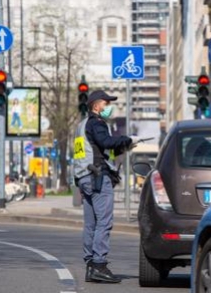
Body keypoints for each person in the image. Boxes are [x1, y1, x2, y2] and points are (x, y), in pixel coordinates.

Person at [73, 90, 134, 284]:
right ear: (97, 105)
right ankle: (99, 264)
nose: (109, 107)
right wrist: (126, 140)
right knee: (104, 222)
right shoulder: (97, 123)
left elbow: (96, 149)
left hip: (84, 177)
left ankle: (91, 265)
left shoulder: (81, 126)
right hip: (97, 177)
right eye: (107, 103)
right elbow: (104, 141)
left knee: (90, 224)